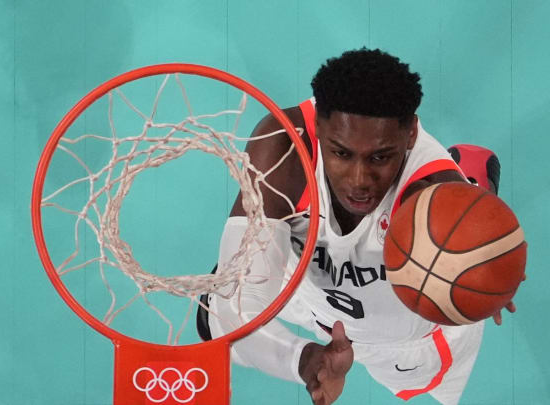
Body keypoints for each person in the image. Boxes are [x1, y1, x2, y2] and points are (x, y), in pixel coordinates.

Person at [197, 48, 517, 405]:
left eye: (380, 157)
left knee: (420, 385)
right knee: (216, 317)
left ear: (410, 133)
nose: (359, 180)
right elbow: (237, 309)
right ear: (318, 124)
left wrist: (482, 265)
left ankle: (470, 199)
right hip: (308, 291)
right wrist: (303, 360)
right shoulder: (284, 144)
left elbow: (469, 271)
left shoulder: (426, 194)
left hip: (400, 339)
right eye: (341, 153)